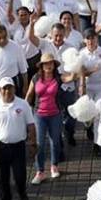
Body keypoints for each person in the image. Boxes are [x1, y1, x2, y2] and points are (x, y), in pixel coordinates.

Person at [25, 54, 63, 183]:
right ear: (41, 65)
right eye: (46, 63)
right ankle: (40, 171)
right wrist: (24, 111)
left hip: (55, 114)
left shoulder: (58, 78)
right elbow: (29, 95)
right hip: (39, 115)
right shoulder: (35, 78)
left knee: (55, 142)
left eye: (51, 63)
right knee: (39, 144)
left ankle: (54, 166)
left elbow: (72, 76)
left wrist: (81, 71)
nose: (48, 66)